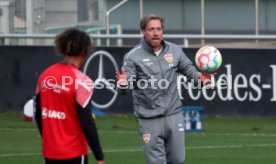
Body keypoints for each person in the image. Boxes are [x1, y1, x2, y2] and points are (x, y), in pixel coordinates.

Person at [116, 14, 212, 164]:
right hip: (149, 119)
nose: (155, 33)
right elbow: (126, 86)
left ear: (163, 31)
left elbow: (189, 70)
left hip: (174, 116)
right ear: (143, 31)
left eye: (159, 29)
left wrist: (201, 80)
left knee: (178, 160)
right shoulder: (132, 57)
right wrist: (122, 84)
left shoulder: (175, 51)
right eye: (151, 29)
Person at [34, 28, 105, 164]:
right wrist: (99, 157)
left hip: (51, 153)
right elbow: (87, 122)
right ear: (85, 51)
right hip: (74, 153)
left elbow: (38, 114)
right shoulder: (82, 81)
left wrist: (48, 145)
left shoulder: (45, 75)